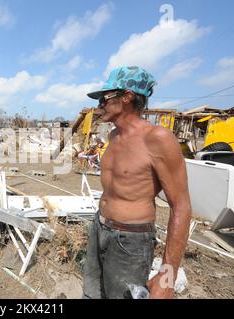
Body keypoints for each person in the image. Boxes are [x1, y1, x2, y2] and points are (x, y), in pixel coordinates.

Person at [82, 66, 192, 299]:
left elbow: (181, 205)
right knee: (91, 294)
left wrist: (167, 276)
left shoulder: (158, 139)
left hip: (130, 241)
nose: (99, 104)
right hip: (99, 227)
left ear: (127, 97)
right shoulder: (113, 136)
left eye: (104, 98)